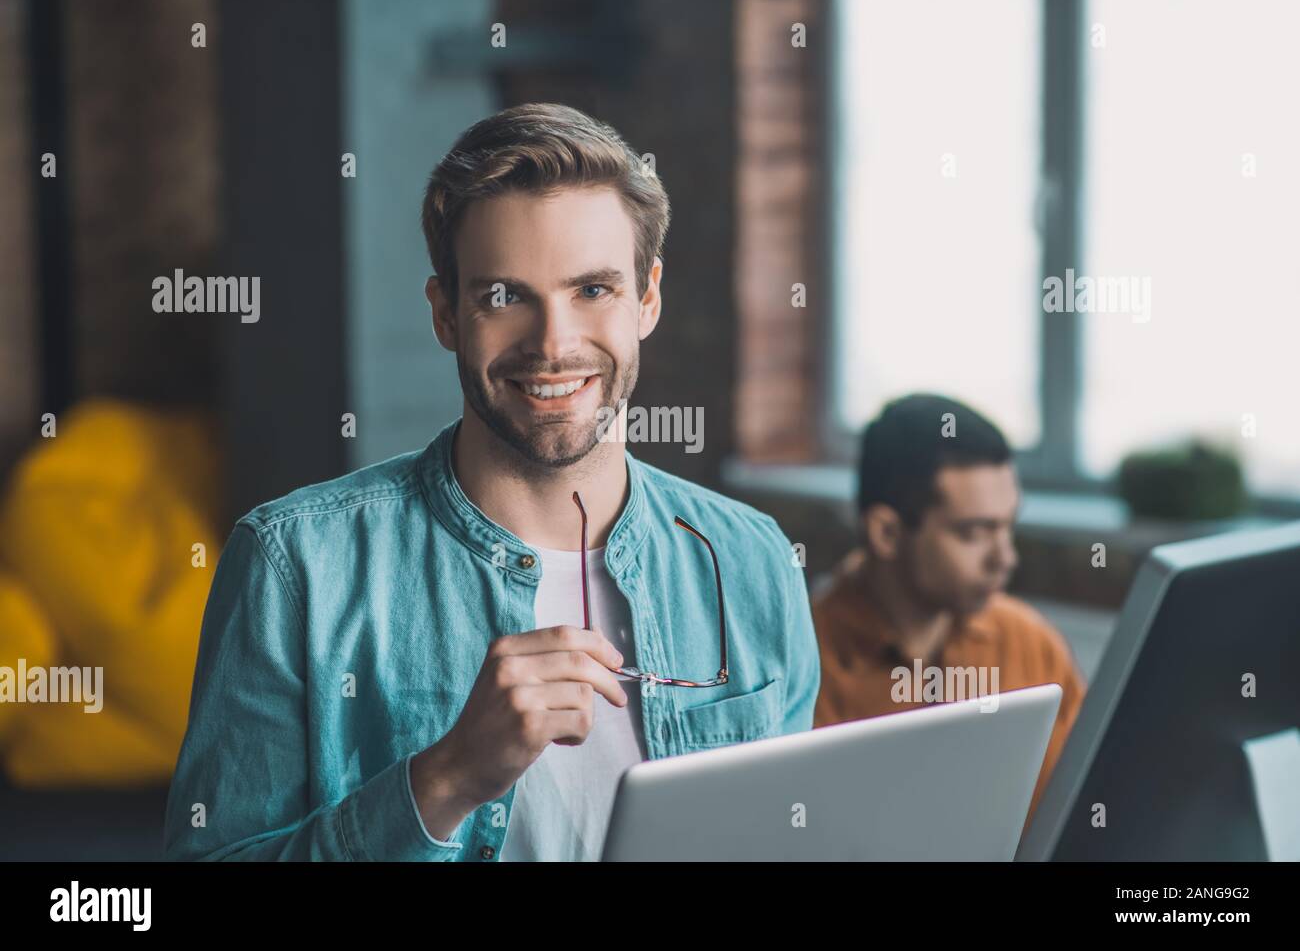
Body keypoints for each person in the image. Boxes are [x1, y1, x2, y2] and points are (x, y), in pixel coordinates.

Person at [163, 102, 819, 862]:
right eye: (504, 297)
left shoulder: (753, 561)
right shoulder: (295, 567)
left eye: (593, 291)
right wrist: (448, 778)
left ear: (648, 298)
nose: (554, 344)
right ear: (446, 314)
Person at [813, 394, 1085, 825]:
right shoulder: (806, 666)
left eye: (1008, 526)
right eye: (975, 532)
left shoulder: (1031, 644)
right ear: (886, 532)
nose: (1006, 558)